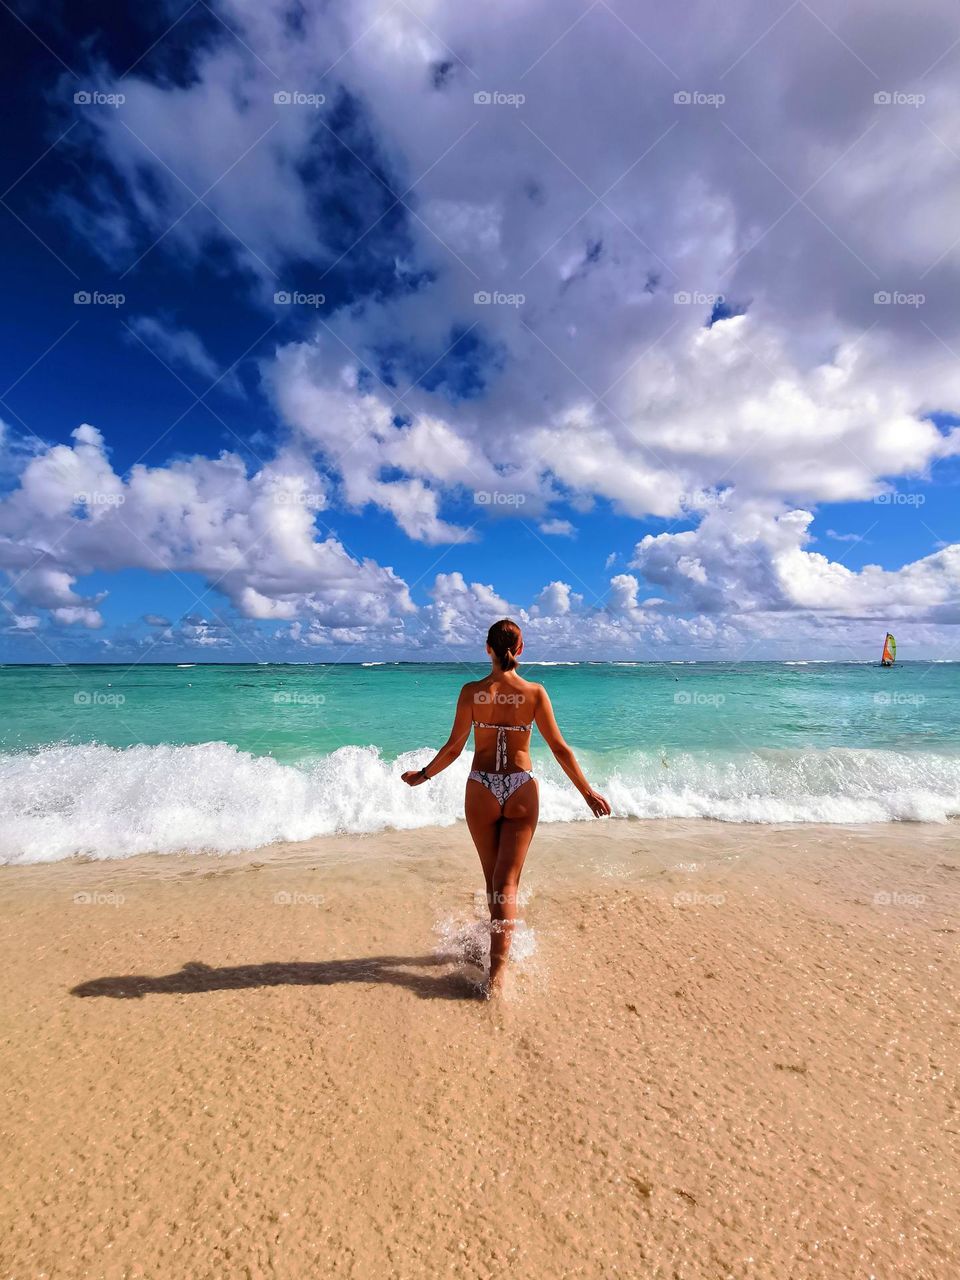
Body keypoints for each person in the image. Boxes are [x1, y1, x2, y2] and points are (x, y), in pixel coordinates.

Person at [401, 618, 611, 995]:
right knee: (508, 883)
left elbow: (453, 748)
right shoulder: (535, 692)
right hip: (520, 788)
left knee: (493, 882)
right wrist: (587, 793)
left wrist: (425, 775)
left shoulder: (471, 691)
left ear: (487, 649)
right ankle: (498, 973)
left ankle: (494, 957)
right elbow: (560, 749)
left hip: (481, 787)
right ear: (521, 648)